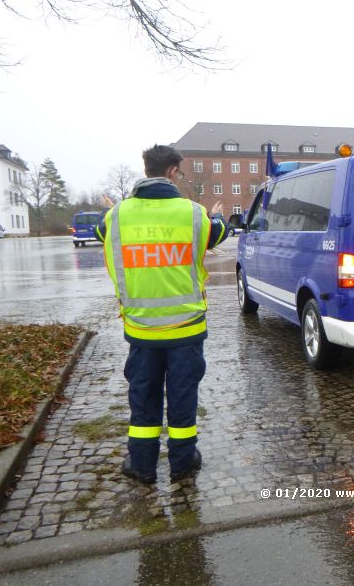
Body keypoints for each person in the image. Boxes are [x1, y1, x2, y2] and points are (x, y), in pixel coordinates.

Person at [95, 144, 229, 484]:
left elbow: (101, 232)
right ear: (173, 171)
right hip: (186, 329)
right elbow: (219, 234)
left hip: (141, 330)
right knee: (183, 397)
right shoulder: (194, 214)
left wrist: (113, 211)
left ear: (146, 169)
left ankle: (142, 465)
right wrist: (217, 217)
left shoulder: (118, 216)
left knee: (143, 396)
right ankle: (183, 463)